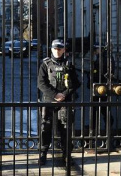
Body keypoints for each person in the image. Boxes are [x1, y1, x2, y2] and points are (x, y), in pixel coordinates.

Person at [38, 38, 80, 167]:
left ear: (64, 50)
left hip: (65, 101)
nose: (57, 51)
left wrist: (64, 94)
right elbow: (41, 83)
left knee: (65, 129)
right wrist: (55, 94)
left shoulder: (69, 64)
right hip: (49, 101)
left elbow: (76, 83)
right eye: (55, 49)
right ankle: (43, 153)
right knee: (46, 128)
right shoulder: (45, 64)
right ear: (51, 49)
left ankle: (66, 155)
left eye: (60, 49)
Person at [88, 42, 115, 149]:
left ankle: (103, 130)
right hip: (97, 86)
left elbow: (108, 72)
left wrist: (101, 79)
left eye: (96, 49)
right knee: (97, 109)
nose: (94, 51)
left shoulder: (105, 57)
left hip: (102, 87)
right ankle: (95, 129)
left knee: (102, 109)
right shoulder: (100, 57)